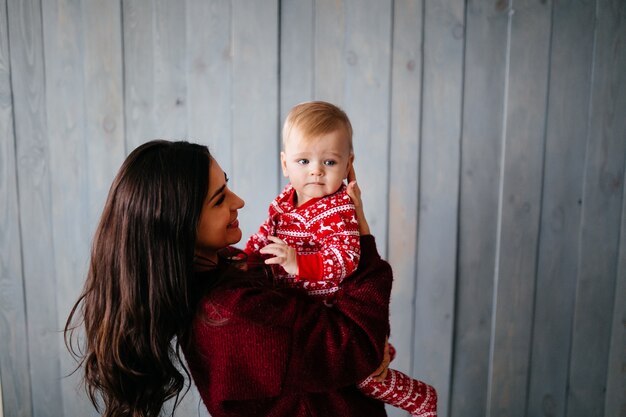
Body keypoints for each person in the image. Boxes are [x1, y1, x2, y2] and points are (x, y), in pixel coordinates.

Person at [65, 139, 394, 417]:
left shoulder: (225, 269)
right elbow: (357, 346)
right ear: (179, 227)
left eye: (227, 184)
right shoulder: (236, 314)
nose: (239, 201)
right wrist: (360, 233)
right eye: (220, 198)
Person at [245, 101, 437, 417]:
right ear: (284, 164)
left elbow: (345, 259)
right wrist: (248, 258)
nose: (316, 170)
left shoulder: (338, 211)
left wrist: (297, 263)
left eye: (330, 161)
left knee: (363, 378)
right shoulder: (283, 204)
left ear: (348, 164)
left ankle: (418, 397)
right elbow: (265, 236)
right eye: (303, 160)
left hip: (334, 312)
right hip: (298, 311)